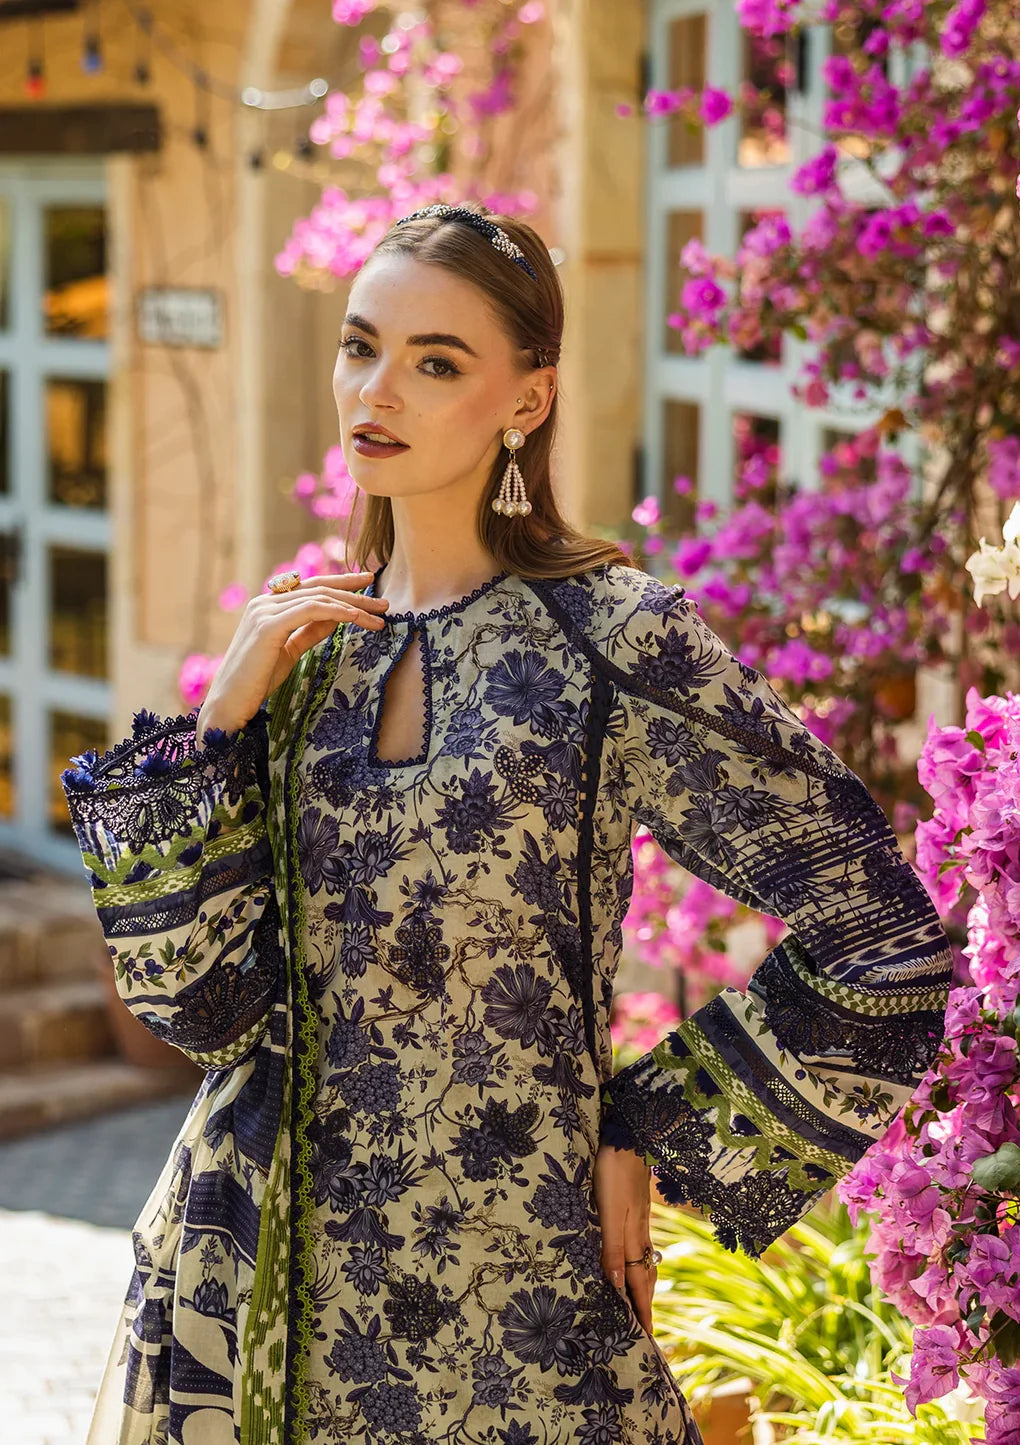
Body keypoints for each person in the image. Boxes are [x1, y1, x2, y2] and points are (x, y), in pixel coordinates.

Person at [61, 203, 953, 1445]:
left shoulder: (611, 638)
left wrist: (644, 1131)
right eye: (360, 345)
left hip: (521, 1304)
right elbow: (199, 1013)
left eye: (435, 362)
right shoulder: (304, 654)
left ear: (527, 399)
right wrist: (219, 724)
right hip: (269, 1290)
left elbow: (885, 941)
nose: (376, 389)